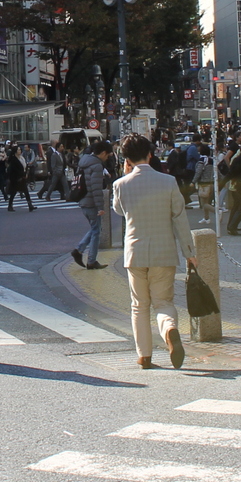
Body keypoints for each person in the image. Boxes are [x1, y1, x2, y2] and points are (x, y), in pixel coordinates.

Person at [111, 134, 193, 370]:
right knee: (163, 302)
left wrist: (125, 175)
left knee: (139, 305)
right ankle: (169, 330)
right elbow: (180, 218)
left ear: (126, 159)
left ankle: (144, 356)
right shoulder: (168, 182)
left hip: (135, 252)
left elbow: (118, 211)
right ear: (150, 154)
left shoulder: (120, 185)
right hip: (163, 251)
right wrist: (189, 252)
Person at [70, 141, 113, 270]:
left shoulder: (84, 161)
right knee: (96, 231)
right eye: (108, 155)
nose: (108, 158)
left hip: (82, 199)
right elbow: (96, 188)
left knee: (95, 228)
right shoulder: (96, 166)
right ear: (103, 153)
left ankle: (79, 251)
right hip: (91, 202)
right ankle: (90, 260)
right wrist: (100, 207)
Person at [4, 144, 36, 212]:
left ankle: (30, 205)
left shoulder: (22, 158)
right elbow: (13, 170)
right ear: (15, 151)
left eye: (20, 150)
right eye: (18, 150)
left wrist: (25, 173)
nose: (20, 151)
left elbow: (25, 167)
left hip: (22, 177)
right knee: (13, 192)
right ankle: (10, 205)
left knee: (25, 191)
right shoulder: (13, 159)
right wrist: (20, 175)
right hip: (16, 178)